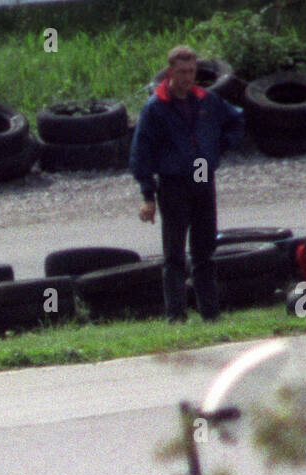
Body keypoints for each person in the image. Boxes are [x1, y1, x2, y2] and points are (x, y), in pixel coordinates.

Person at [130, 45, 245, 322]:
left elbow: (237, 119)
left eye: (192, 71)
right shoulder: (155, 107)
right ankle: (176, 316)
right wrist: (147, 194)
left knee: (205, 251)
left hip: (204, 177)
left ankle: (210, 314)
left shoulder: (207, 100)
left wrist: (219, 147)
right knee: (174, 255)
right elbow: (140, 152)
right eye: (182, 72)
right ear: (170, 72)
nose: (187, 77)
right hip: (174, 182)